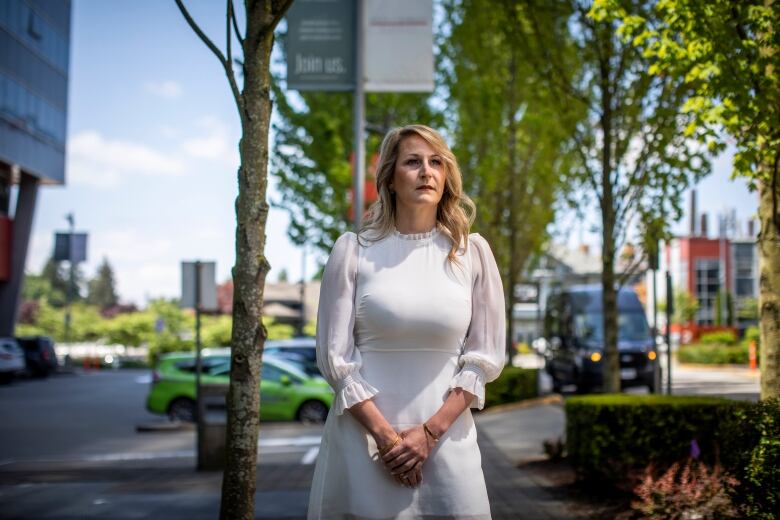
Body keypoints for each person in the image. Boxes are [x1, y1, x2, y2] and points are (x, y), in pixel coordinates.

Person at [307, 124, 506, 519]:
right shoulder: (353, 251)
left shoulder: (472, 253)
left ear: (447, 176)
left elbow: (484, 358)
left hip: (448, 441)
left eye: (436, 163)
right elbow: (335, 359)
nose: (426, 171)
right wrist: (387, 439)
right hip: (362, 444)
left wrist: (428, 435)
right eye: (413, 162)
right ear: (390, 178)